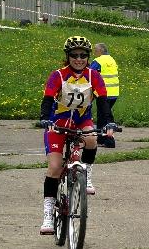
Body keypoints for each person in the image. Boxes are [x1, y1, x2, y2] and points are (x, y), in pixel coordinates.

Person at [39, 35, 115, 234]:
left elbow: (103, 102)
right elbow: (47, 99)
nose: (79, 59)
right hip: (58, 123)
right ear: (68, 56)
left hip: (82, 121)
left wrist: (108, 123)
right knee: (55, 167)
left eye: (83, 55)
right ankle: (48, 213)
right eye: (74, 55)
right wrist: (45, 118)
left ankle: (87, 173)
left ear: (88, 57)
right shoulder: (58, 75)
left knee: (92, 138)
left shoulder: (93, 76)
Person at [89, 42, 119, 147]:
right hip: (114, 93)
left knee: (106, 117)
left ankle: (109, 140)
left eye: (95, 50)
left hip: (104, 93)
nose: (94, 52)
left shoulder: (98, 61)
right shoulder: (112, 60)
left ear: (101, 51)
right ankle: (101, 138)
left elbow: (89, 74)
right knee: (102, 115)